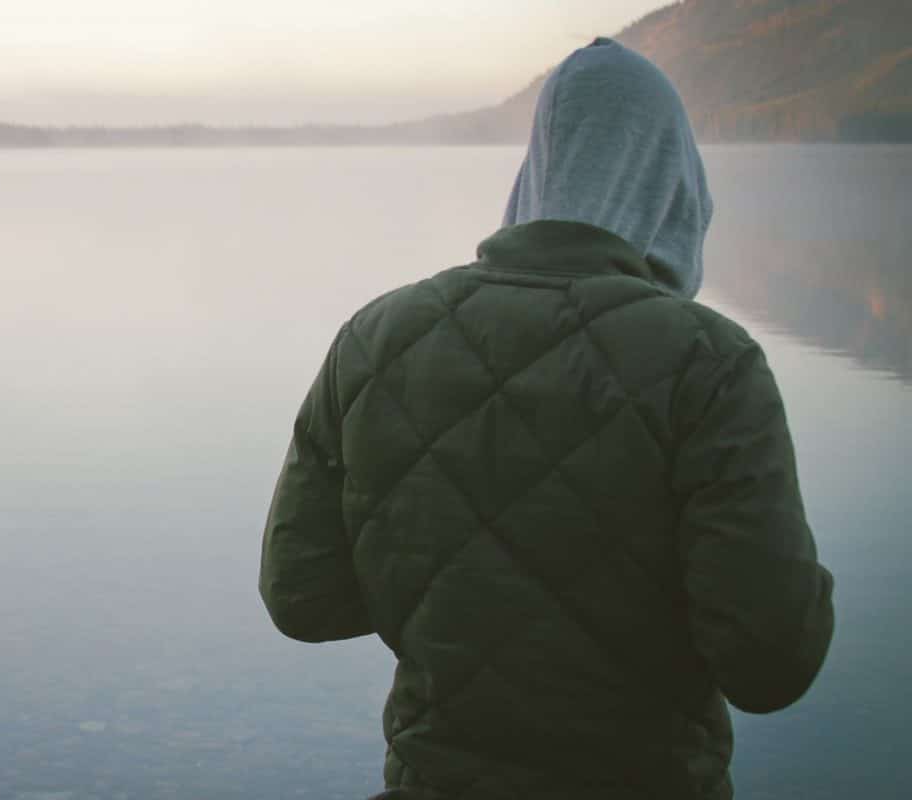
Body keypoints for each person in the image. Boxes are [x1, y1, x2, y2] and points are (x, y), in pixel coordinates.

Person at [258, 38, 834, 800]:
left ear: (537, 171)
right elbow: (769, 666)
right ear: (672, 187)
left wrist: (453, 587)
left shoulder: (376, 337)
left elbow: (303, 598)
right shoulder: (709, 364)